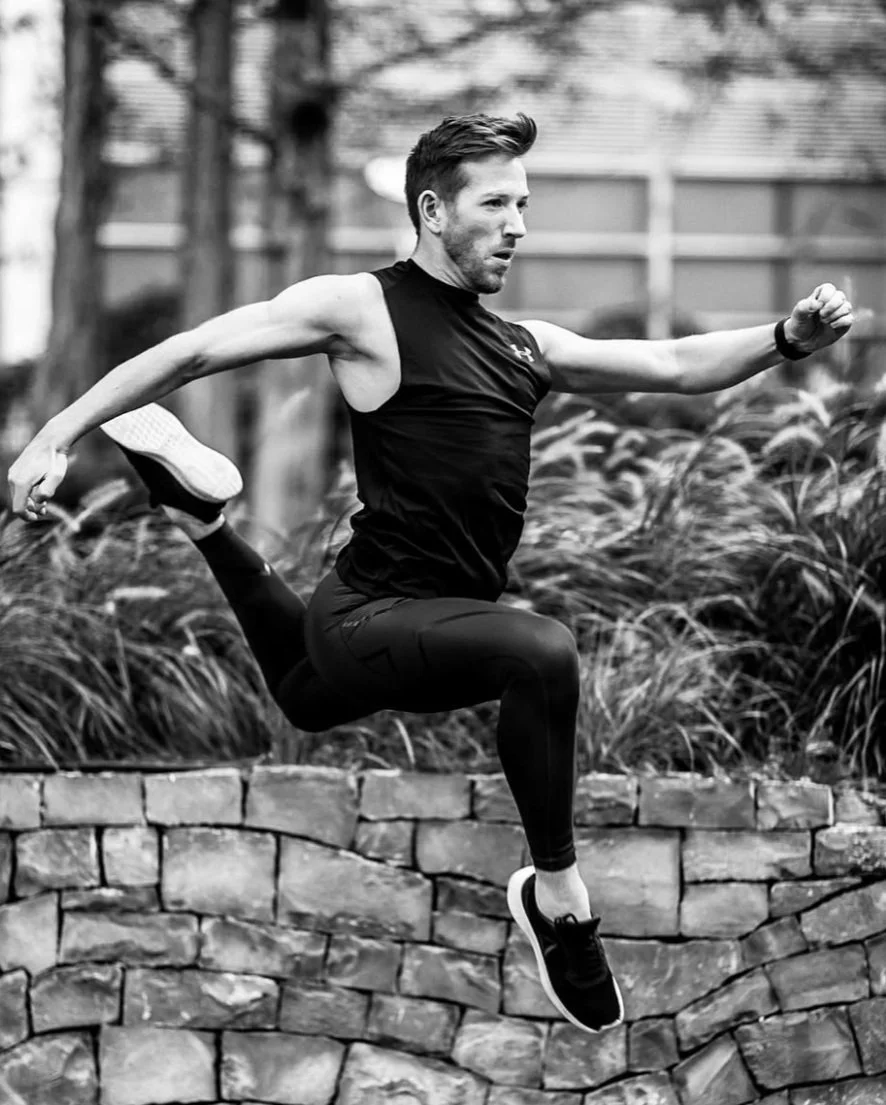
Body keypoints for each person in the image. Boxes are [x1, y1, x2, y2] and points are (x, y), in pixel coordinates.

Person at [8, 112, 854, 1035]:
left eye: (525, 203)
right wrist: (54, 433)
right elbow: (198, 348)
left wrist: (784, 338)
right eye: (496, 203)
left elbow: (674, 363)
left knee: (303, 695)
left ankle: (205, 517)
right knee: (540, 652)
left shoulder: (523, 345)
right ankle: (559, 898)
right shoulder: (363, 308)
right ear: (432, 209)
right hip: (372, 612)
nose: (520, 223)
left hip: (399, 624)